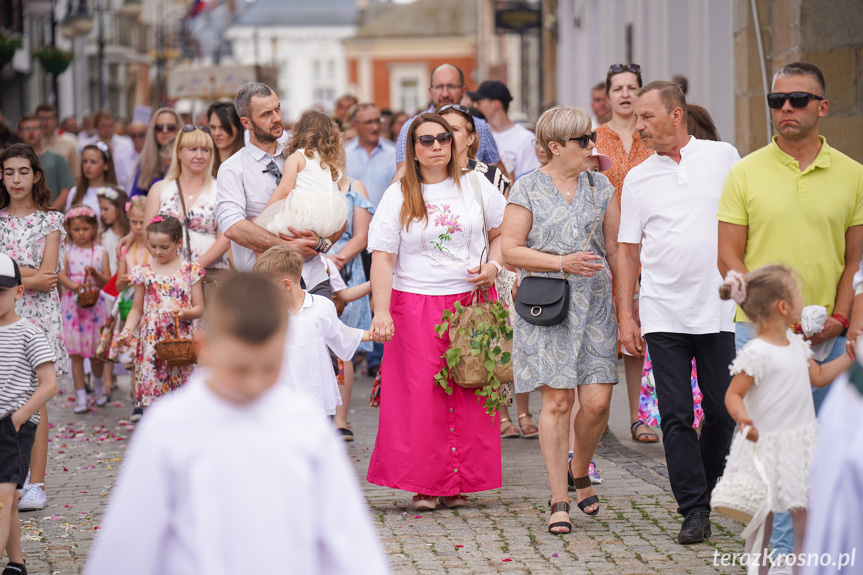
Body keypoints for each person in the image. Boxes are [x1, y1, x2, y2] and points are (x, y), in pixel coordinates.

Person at [84, 273, 391, 575]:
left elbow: (347, 539)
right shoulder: (169, 429)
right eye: (240, 368)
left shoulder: (304, 425)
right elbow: (130, 545)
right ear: (205, 346)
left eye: (269, 366)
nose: (255, 383)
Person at [717, 61, 863, 568]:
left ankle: (823, 554)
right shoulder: (745, 172)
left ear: (822, 107)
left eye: (798, 100)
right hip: (761, 337)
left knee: (825, 456)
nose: (785, 109)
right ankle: (780, 560)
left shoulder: (853, 175)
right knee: (775, 457)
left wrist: (842, 321)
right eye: (776, 101)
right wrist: (764, 314)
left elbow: (856, 263)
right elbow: (729, 256)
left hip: (829, 336)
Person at [617, 81, 739, 545]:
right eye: (636, 119)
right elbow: (627, 252)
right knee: (674, 415)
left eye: (647, 117)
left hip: (720, 306)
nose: (640, 126)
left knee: (723, 410)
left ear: (676, 115)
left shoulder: (724, 156)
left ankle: (704, 488)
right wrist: (628, 316)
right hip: (662, 310)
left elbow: (748, 220)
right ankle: (693, 508)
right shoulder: (638, 177)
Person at [366, 112, 506, 511]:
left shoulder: (477, 186)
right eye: (426, 140)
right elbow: (382, 258)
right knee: (421, 396)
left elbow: (502, 234)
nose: (436, 146)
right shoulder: (398, 195)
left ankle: (459, 481)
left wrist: (494, 267)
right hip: (414, 303)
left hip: (472, 302)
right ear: (412, 149)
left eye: (443, 138)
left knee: (470, 391)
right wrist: (381, 311)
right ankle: (427, 483)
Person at [501, 106, 619, 533]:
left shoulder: (601, 185)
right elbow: (510, 250)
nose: (593, 146)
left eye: (592, 138)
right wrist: (561, 262)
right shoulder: (527, 188)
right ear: (555, 147)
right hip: (550, 307)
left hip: (598, 307)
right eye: (583, 140)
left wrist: (628, 307)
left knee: (597, 404)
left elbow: (616, 249)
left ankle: (580, 467)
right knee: (558, 402)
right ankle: (558, 496)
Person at [720, 266, 854, 574]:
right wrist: (744, 421)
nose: (801, 299)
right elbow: (733, 395)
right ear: (783, 307)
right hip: (765, 445)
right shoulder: (757, 351)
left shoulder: (797, 344)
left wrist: (851, 356)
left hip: (799, 447)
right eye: (797, 294)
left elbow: (819, 377)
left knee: (805, 525)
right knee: (759, 527)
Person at [216, 82, 339, 297]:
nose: (276, 118)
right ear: (247, 122)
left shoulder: (306, 151)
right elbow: (233, 226)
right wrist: (286, 246)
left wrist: (322, 242)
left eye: (278, 109)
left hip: (314, 276)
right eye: (266, 114)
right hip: (265, 284)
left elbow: (337, 207)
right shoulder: (232, 169)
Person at [0, 144, 67, 513]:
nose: (16, 180)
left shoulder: (49, 221)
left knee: (37, 400)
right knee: (4, 394)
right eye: (9, 172)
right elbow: (33, 275)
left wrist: (11, 270)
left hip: (39, 318)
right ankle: (10, 473)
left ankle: (35, 482)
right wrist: (26, 274)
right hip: (3, 316)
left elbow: (49, 274)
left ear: (36, 175)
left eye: (23, 172)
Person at [594, 63, 658, 444]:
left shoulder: (651, 134)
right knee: (604, 334)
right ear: (607, 95)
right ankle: (596, 415)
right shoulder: (595, 138)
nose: (624, 94)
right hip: (607, 246)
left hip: (651, 245)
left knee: (638, 334)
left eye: (631, 87)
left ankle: (639, 416)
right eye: (617, 87)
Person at [253, 245, 371, 418]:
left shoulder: (321, 306)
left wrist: (370, 335)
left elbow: (340, 334)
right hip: (285, 394)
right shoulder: (270, 314)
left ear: (286, 285)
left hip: (318, 392)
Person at [0, 253, 58, 575]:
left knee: (3, 498)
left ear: (18, 292)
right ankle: (17, 563)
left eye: (1, 290)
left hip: (13, 428)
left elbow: (49, 385)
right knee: (4, 501)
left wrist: (18, 418)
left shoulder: (29, 333)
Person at [119, 216, 204, 408]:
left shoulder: (190, 270)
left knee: (182, 394)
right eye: (153, 246)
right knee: (153, 391)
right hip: (152, 341)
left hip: (180, 338)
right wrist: (127, 330)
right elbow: (136, 309)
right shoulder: (144, 272)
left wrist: (185, 313)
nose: (158, 251)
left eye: (164, 247)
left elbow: (199, 307)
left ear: (178, 243)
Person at [143, 125, 231, 278]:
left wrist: (192, 269)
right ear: (178, 152)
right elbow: (147, 234)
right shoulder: (160, 189)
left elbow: (225, 239)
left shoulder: (221, 190)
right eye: (193, 149)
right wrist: (171, 267)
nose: (199, 155)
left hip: (210, 276)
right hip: (166, 276)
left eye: (205, 150)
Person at [329, 172, 376, 440]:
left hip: (346, 268)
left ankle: (340, 419)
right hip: (308, 261)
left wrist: (335, 260)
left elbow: (363, 235)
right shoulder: (298, 180)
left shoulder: (354, 186)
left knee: (342, 344)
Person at [256, 110, 348, 242]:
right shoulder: (330, 163)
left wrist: (263, 217)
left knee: (262, 227)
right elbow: (335, 193)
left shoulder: (298, 157)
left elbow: (284, 190)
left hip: (305, 219)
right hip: (330, 222)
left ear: (300, 132)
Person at [395, 64, 502, 172]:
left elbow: (496, 173)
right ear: (430, 91)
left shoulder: (480, 127)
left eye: (451, 86)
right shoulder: (411, 127)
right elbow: (404, 177)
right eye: (439, 87)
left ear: (463, 91)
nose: (445, 94)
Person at [59, 205, 111, 413]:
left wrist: (95, 276)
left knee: (96, 352)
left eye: (85, 229)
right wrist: (76, 287)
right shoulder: (67, 252)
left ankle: (98, 383)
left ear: (94, 228)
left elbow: (107, 280)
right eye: (76, 229)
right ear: (69, 230)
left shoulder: (101, 252)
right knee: (76, 354)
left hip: (95, 306)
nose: (81, 234)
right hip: (73, 306)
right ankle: (81, 394)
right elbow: (61, 276)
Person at [115, 197, 149, 421]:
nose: (138, 227)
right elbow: (117, 282)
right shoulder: (126, 248)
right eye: (134, 222)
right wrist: (126, 279)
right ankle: (138, 401)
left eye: (142, 222)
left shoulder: (156, 245)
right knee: (135, 357)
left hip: (150, 305)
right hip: (131, 305)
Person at [470, 81, 540, 180]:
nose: (476, 107)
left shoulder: (526, 138)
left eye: (479, 103)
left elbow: (530, 179)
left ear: (495, 104)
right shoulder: (478, 133)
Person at [16, 114, 74, 209]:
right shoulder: (12, 161)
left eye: (35, 128)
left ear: (42, 131)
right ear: (19, 133)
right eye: (26, 129)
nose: (31, 132)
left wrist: (49, 214)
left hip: (51, 216)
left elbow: (66, 191)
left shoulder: (57, 158)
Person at [345, 103, 396, 209]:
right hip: (351, 222)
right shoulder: (344, 154)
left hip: (384, 221)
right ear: (354, 125)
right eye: (368, 122)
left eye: (378, 120)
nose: (375, 127)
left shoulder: (393, 153)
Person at [80, 110, 136, 192]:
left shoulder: (126, 144)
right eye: (103, 126)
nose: (107, 130)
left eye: (110, 125)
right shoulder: (86, 145)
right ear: (96, 127)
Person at [130, 108, 180, 198]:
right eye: (159, 128)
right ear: (153, 131)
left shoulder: (189, 158)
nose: (165, 131)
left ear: (178, 129)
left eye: (170, 127)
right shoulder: (146, 161)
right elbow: (135, 197)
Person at [65, 142, 119, 217]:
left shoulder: (117, 192)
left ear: (106, 165)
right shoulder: (74, 192)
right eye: (85, 161)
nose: (88, 166)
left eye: (93, 162)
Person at [35, 103, 80, 180]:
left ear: (56, 120)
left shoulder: (69, 144)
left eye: (49, 118)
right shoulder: (30, 146)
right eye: (42, 118)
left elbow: (77, 174)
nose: (45, 122)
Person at [207, 102, 243, 177]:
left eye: (223, 127)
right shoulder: (203, 160)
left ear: (238, 128)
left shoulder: (248, 162)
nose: (217, 133)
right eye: (213, 127)